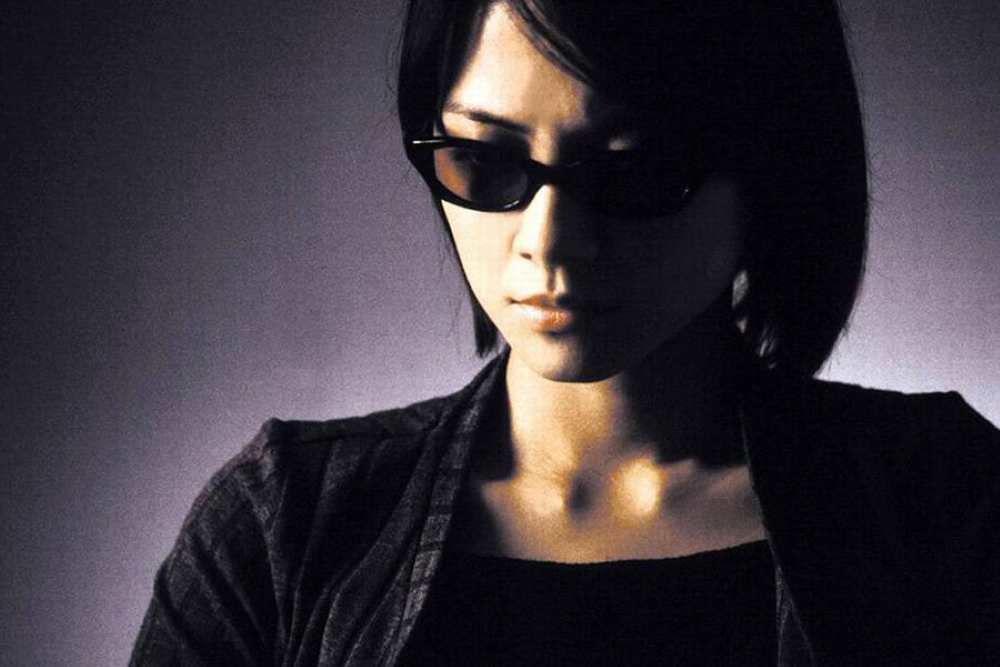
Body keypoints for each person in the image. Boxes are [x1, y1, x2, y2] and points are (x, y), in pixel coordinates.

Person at [129, 0, 1000, 665]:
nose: (547, 241)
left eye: (633, 169)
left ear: (774, 167)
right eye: (484, 161)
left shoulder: (938, 498)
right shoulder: (284, 526)